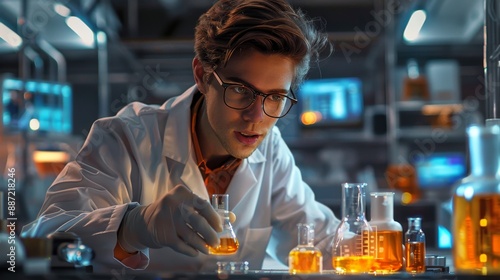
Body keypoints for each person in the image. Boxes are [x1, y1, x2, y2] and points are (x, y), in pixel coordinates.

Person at [22, 0, 340, 273]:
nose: (257, 117)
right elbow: (40, 238)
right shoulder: (125, 137)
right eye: (241, 91)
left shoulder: (271, 149)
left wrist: (368, 236)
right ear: (202, 76)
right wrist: (133, 227)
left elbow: (319, 235)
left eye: (275, 97)